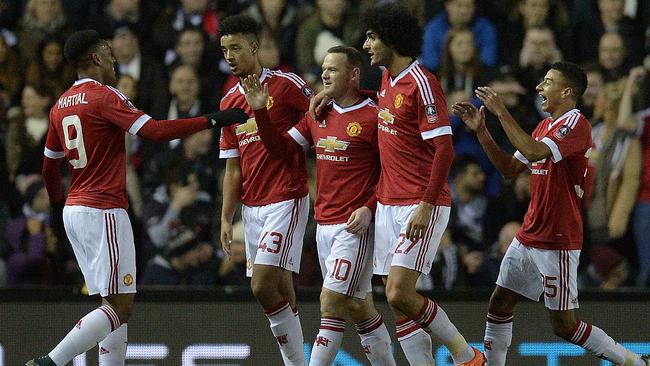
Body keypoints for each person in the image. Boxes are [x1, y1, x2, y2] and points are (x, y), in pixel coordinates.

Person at [27, 29, 246, 366]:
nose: (114, 57)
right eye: (108, 51)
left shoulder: (59, 106)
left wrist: (58, 208)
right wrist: (213, 119)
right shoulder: (104, 96)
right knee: (121, 306)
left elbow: (48, 168)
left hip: (75, 211)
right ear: (96, 57)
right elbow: (155, 131)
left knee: (110, 304)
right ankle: (51, 361)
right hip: (104, 210)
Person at [452, 61, 650, 366]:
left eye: (547, 82)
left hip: (558, 238)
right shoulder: (545, 126)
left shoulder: (576, 124)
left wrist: (501, 111)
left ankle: (634, 362)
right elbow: (509, 169)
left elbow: (534, 153)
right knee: (500, 303)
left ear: (567, 91)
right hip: (530, 232)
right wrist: (482, 131)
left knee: (564, 326)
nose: (539, 88)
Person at [242, 45, 396, 365]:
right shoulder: (317, 115)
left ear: (354, 74)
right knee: (357, 306)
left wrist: (369, 206)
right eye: (323, 68)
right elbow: (282, 149)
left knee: (330, 302)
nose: (324, 74)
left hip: (356, 226)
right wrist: (260, 111)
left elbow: (393, 171)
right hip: (323, 224)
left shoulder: (375, 115)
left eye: (333, 69)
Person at [361, 4, 485, 365]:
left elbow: (444, 149)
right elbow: (390, 110)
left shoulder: (423, 82)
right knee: (397, 299)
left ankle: (466, 356)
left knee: (400, 292)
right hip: (388, 202)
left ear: (392, 39)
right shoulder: (386, 80)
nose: (366, 44)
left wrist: (427, 205)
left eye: (372, 37)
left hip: (420, 202)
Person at [218, 15, 313, 366]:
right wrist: (226, 217)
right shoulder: (229, 102)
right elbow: (232, 166)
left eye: (236, 47)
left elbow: (319, 115)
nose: (230, 55)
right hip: (251, 207)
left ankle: (294, 362)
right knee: (281, 285)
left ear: (255, 47)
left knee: (261, 286)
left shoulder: (286, 85)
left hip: (287, 196)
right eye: (225, 49)